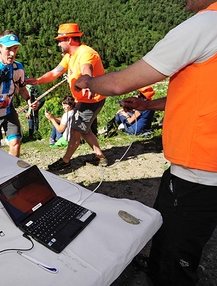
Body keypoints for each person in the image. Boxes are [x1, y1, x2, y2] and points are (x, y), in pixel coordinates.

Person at [74, 1, 217, 285]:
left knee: (176, 255)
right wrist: (148, 104)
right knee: (176, 234)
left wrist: (87, 81)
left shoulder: (204, 26)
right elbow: (202, 93)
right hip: (204, 165)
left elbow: (118, 83)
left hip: (198, 167)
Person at [25, 23, 107, 171]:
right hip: (84, 100)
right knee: (83, 129)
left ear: (69, 39)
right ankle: (100, 156)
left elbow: (86, 68)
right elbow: (55, 72)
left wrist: (87, 81)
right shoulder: (70, 56)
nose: (58, 44)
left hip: (91, 100)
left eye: (60, 40)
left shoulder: (86, 53)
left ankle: (66, 160)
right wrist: (37, 80)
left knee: (76, 129)